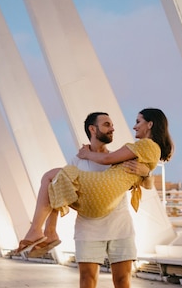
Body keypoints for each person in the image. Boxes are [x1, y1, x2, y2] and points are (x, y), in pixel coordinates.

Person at [13, 108, 173, 258]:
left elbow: (107, 159)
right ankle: (49, 232)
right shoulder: (150, 150)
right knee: (55, 183)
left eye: (138, 122)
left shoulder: (144, 145)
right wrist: (146, 172)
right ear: (92, 129)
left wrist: (86, 154)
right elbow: (139, 179)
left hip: (102, 196)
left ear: (150, 124)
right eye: (107, 124)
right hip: (99, 205)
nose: (134, 126)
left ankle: (39, 231)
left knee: (49, 177)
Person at [68, 112, 153, 288]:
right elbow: (66, 193)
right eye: (107, 124)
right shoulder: (77, 161)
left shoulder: (119, 157)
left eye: (112, 124)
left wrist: (146, 170)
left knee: (123, 282)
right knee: (87, 283)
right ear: (92, 129)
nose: (113, 128)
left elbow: (146, 184)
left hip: (120, 226)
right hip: (88, 227)